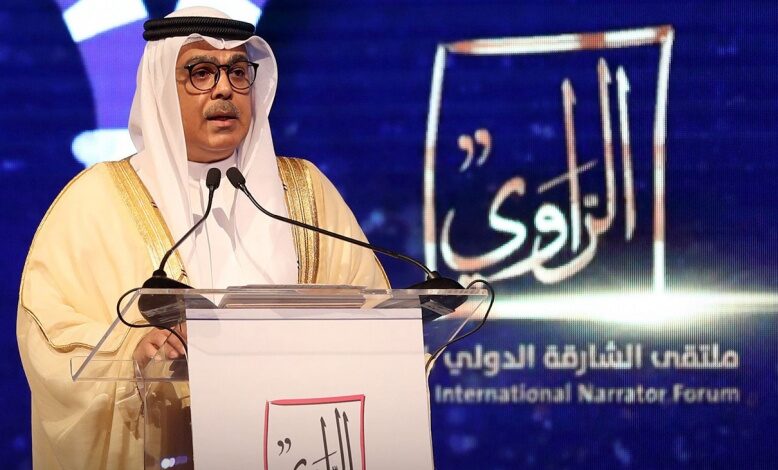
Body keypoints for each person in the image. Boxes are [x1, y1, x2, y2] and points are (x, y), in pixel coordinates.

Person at [17, 7, 388, 469]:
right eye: (201, 72)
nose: (224, 88)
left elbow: (374, 316)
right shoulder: (95, 201)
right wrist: (131, 352)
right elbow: (48, 332)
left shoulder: (305, 192)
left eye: (238, 71)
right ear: (160, 88)